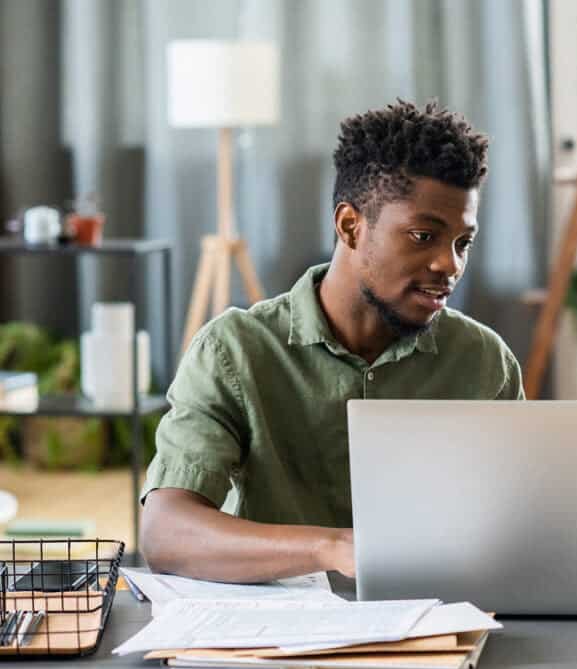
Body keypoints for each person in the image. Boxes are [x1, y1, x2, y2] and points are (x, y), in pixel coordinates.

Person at [140, 101, 523, 583]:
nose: (450, 265)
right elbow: (165, 533)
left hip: (438, 625)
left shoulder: (485, 361)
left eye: (462, 243)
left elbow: (519, 523)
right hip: (279, 640)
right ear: (350, 226)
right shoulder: (234, 351)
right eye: (424, 235)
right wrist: (331, 547)